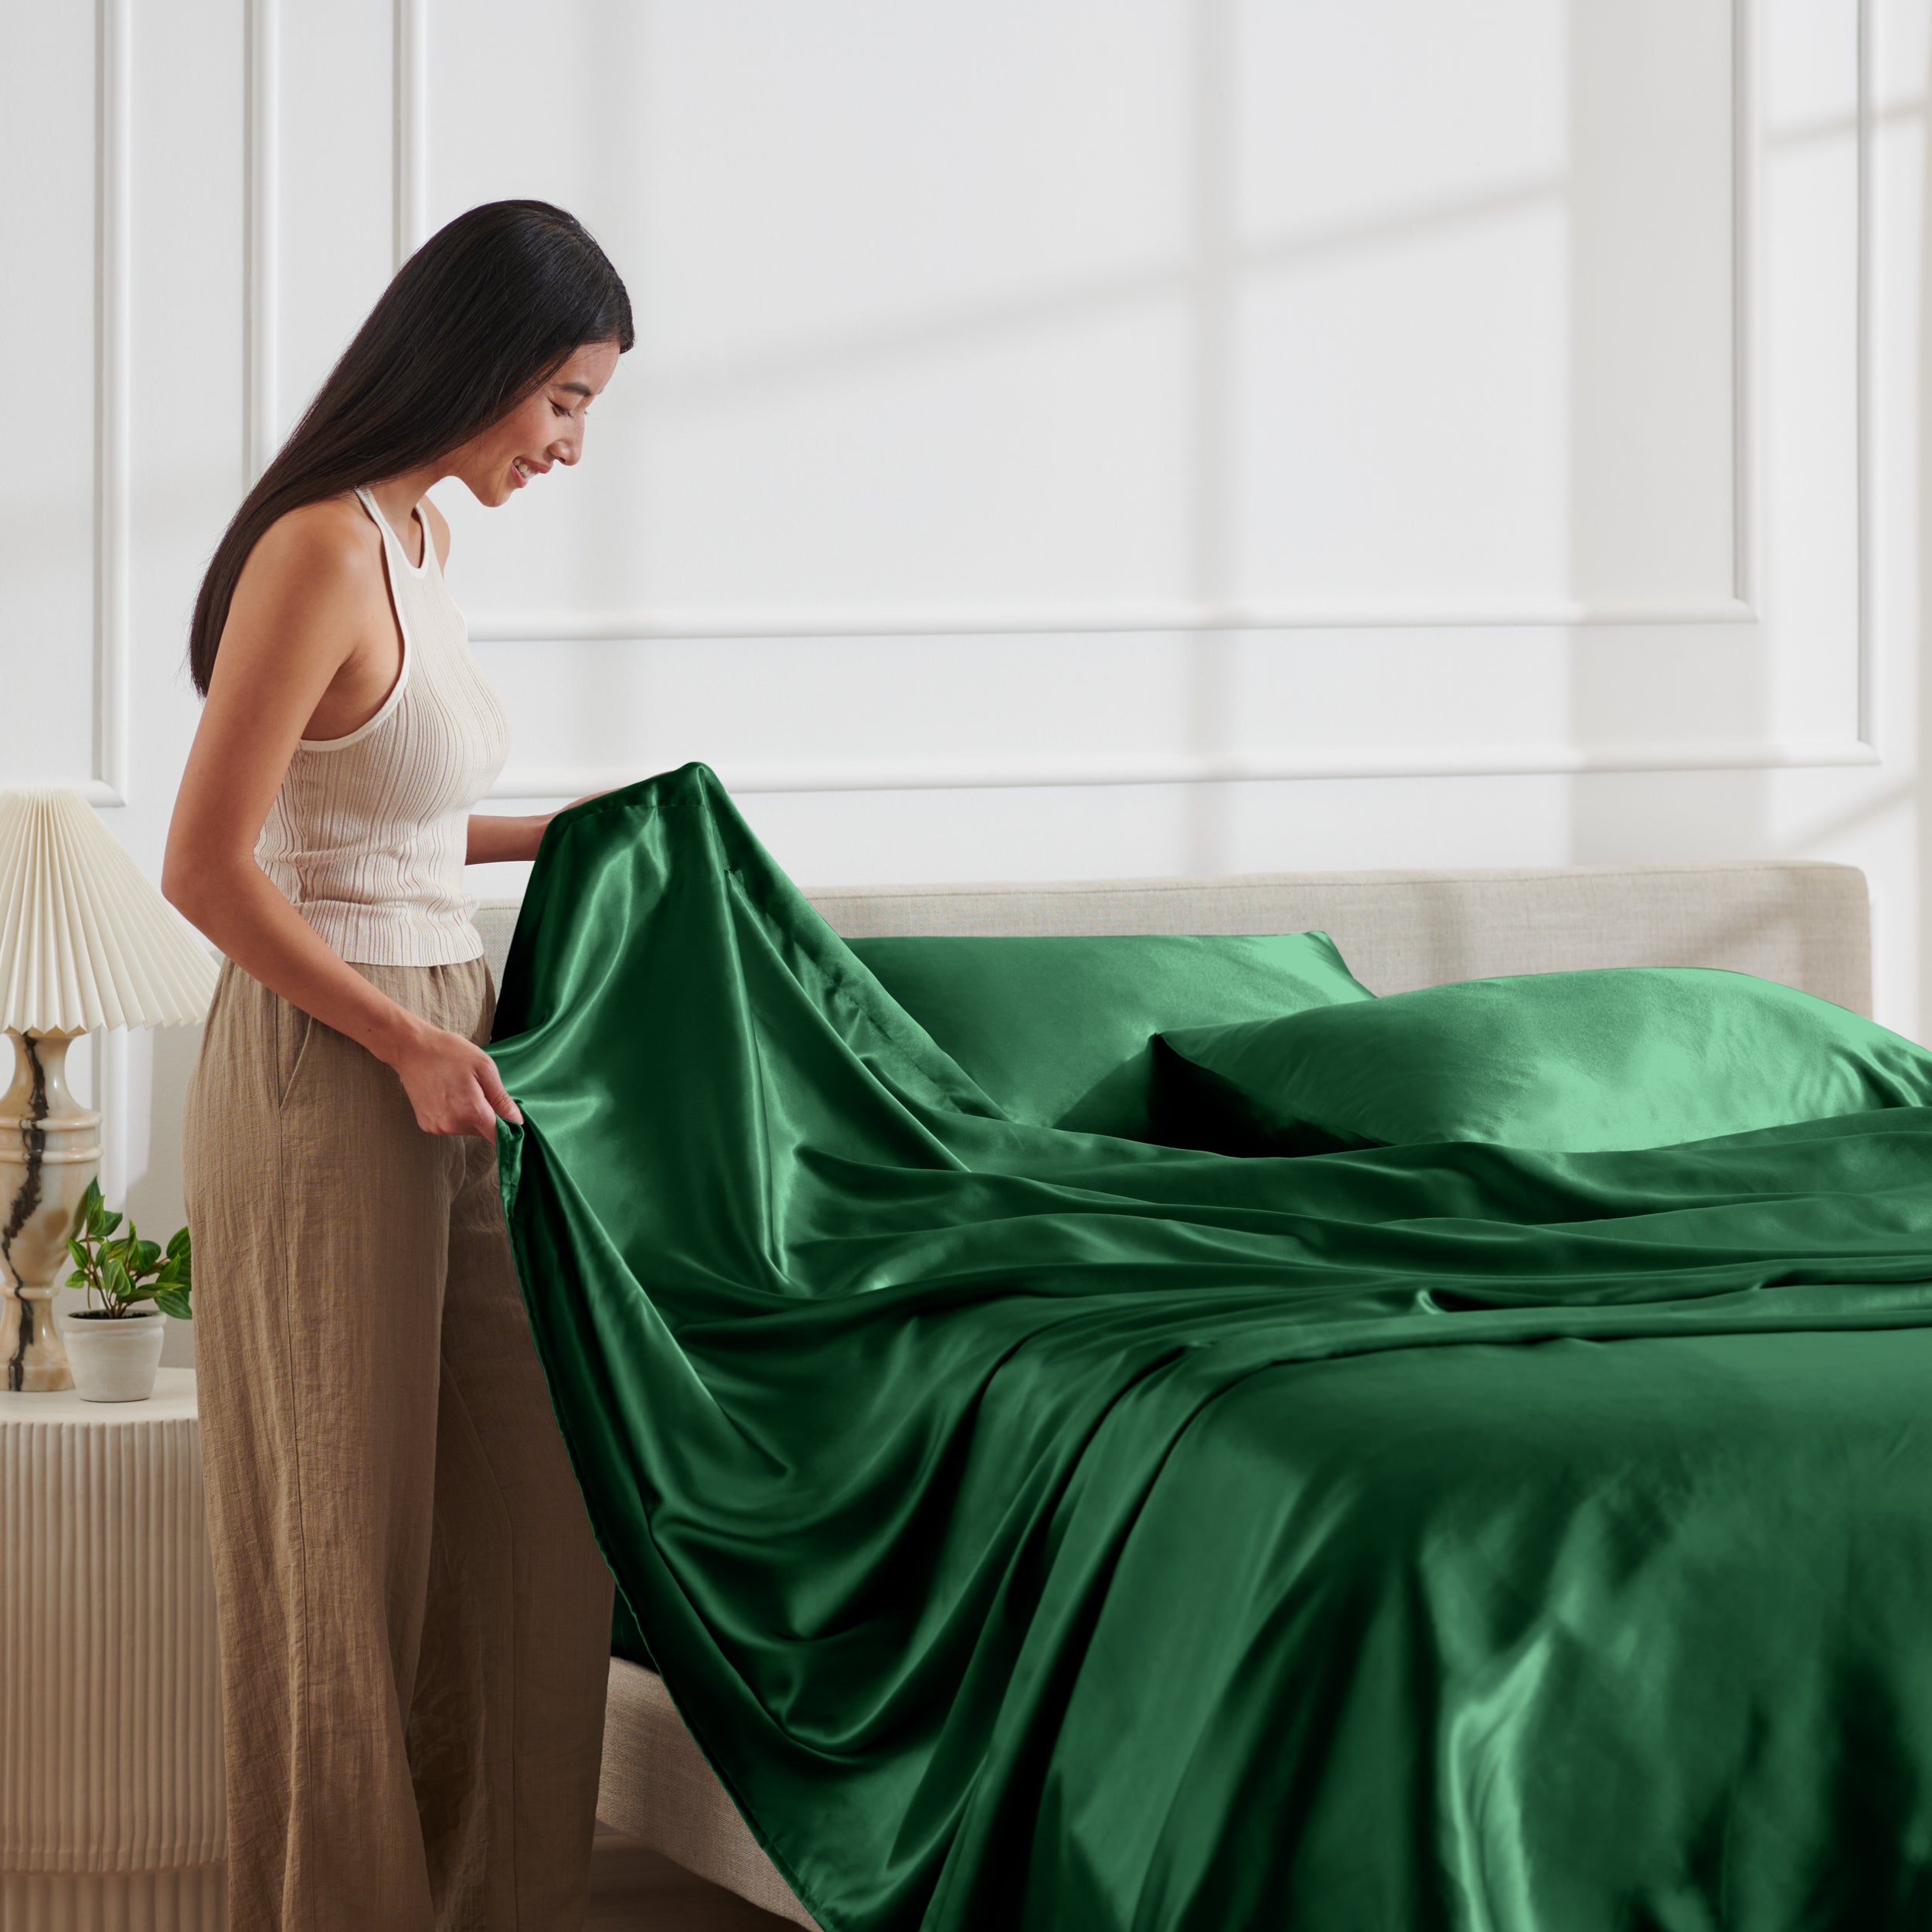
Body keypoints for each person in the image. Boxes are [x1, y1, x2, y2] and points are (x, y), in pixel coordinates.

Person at [164, 199, 629, 1930]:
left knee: (528, 1522)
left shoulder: (420, 541)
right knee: (339, 1557)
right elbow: (210, 866)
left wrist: (589, 826)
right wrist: (399, 1035)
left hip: (450, 1032)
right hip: (330, 1056)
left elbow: (393, 819)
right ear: (491, 357)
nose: (570, 444)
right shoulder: (316, 547)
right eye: (565, 399)